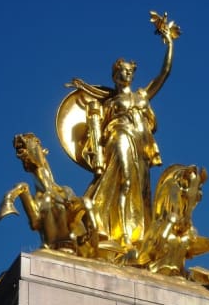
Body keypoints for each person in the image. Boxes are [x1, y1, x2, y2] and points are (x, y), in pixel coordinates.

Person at [69, 13, 179, 253]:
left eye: (128, 71)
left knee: (139, 189)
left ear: (132, 74)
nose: (125, 75)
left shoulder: (141, 95)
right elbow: (95, 130)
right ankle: (123, 234)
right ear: (114, 76)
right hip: (118, 136)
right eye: (120, 72)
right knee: (124, 180)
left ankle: (131, 230)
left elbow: (165, 73)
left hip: (139, 143)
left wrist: (169, 42)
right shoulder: (109, 104)